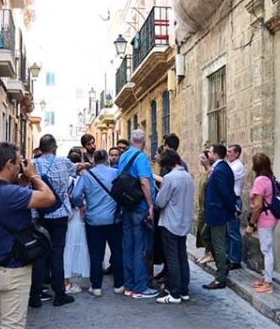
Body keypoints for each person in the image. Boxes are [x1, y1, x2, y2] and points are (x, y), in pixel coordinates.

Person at [0, 142, 55, 329]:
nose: (21, 166)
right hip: (13, 269)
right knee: (12, 325)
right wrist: (34, 175)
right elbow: (49, 198)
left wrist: (20, 183)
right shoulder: (8, 193)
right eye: (19, 162)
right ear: (9, 164)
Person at [28, 134, 88, 308]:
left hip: (39, 214)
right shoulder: (63, 162)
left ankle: (35, 296)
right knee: (57, 252)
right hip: (60, 213)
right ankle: (59, 293)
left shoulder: (34, 164)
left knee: (38, 254)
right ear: (54, 148)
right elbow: (76, 168)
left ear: (40, 149)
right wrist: (85, 164)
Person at [72, 149, 124, 297]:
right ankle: (119, 285)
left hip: (93, 220)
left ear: (94, 160)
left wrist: (82, 205)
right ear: (107, 159)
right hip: (114, 219)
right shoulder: (115, 173)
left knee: (96, 253)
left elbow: (76, 195)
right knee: (117, 251)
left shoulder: (87, 175)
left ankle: (96, 287)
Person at [118, 130, 159, 299]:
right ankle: (140, 287)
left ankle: (128, 285)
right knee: (140, 247)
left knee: (128, 247)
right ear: (144, 142)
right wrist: (150, 205)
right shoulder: (141, 157)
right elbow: (144, 181)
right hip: (139, 207)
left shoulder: (124, 156)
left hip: (127, 206)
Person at [154, 150, 194, 304]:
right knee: (182, 256)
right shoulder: (188, 177)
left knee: (172, 259)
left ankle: (175, 293)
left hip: (170, 222)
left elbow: (160, 202)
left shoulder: (170, 178)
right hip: (183, 222)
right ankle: (184, 291)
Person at [202, 144, 237, 290]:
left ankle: (220, 277)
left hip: (218, 212)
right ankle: (223, 265)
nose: (207, 154)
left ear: (215, 154)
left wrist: (232, 208)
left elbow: (225, 193)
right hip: (214, 212)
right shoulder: (220, 168)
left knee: (219, 245)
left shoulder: (220, 170)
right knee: (205, 234)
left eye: (209, 152)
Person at [245, 153, 278, 294]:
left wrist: (251, 225)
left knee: (267, 250)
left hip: (265, 219)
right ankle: (266, 278)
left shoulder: (260, 181)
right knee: (267, 248)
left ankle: (268, 283)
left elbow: (258, 206)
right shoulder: (269, 179)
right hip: (271, 217)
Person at [63, 170, 90, 294]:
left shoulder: (66, 180)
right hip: (75, 217)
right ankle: (66, 283)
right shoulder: (76, 181)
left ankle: (66, 281)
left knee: (68, 250)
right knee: (72, 249)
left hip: (68, 218)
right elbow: (77, 196)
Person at [226, 144, 245, 270]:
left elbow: (227, 178)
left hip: (234, 200)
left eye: (230, 151)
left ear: (237, 153)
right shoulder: (230, 165)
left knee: (233, 231)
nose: (228, 153)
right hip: (229, 199)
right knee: (228, 231)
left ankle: (235, 259)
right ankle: (229, 256)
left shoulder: (238, 166)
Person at [196, 151, 214, 265]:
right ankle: (207, 252)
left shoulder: (211, 173)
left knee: (205, 232)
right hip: (201, 207)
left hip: (207, 207)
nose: (200, 160)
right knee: (200, 229)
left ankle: (211, 253)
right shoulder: (203, 173)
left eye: (203, 158)